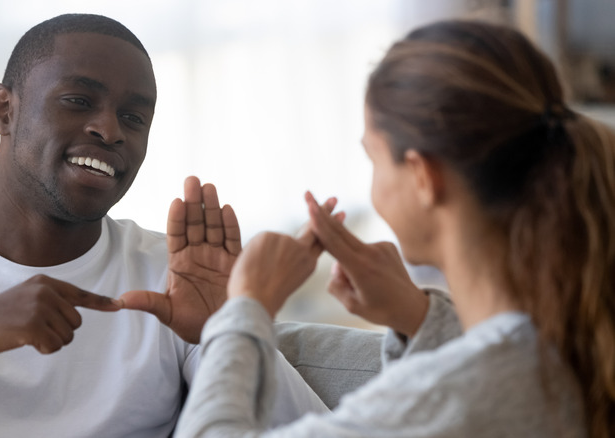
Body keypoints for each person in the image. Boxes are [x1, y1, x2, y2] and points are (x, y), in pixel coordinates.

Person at [0, 13, 329, 437]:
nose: (110, 130)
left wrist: (233, 327)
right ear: (4, 110)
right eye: (77, 100)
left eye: (134, 117)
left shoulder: (173, 277)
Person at [176, 19, 615, 437]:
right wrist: (418, 317)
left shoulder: (465, 391)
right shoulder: (574, 331)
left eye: (373, 158)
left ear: (423, 177)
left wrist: (245, 306)